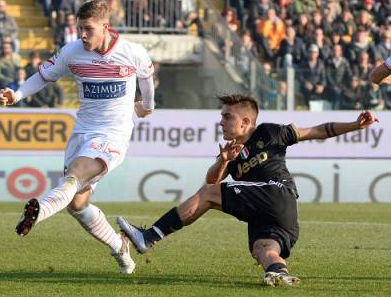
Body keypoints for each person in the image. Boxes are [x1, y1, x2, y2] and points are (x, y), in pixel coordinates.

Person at [117, 94, 378, 286]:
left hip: (276, 192)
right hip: (278, 214)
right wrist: (224, 160)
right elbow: (211, 181)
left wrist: (355, 125)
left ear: (245, 121)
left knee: (208, 195)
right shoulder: (232, 152)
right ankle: (278, 273)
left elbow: (319, 130)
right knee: (263, 249)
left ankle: (149, 236)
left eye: (226, 116)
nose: (221, 121)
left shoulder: (270, 132)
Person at [0, 0, 155, 274]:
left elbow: (147, 79)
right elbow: (43, 76)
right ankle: (120, 248)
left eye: (88, 29)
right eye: (79, 28)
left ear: (106, 27)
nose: (82, 35)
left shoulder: (132, 52)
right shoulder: (72, 52)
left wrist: (147, 106)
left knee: (76, 173)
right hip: (82, 132)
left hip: (114, 133)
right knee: (77, 204)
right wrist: (17, 94)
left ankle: (39, 211)